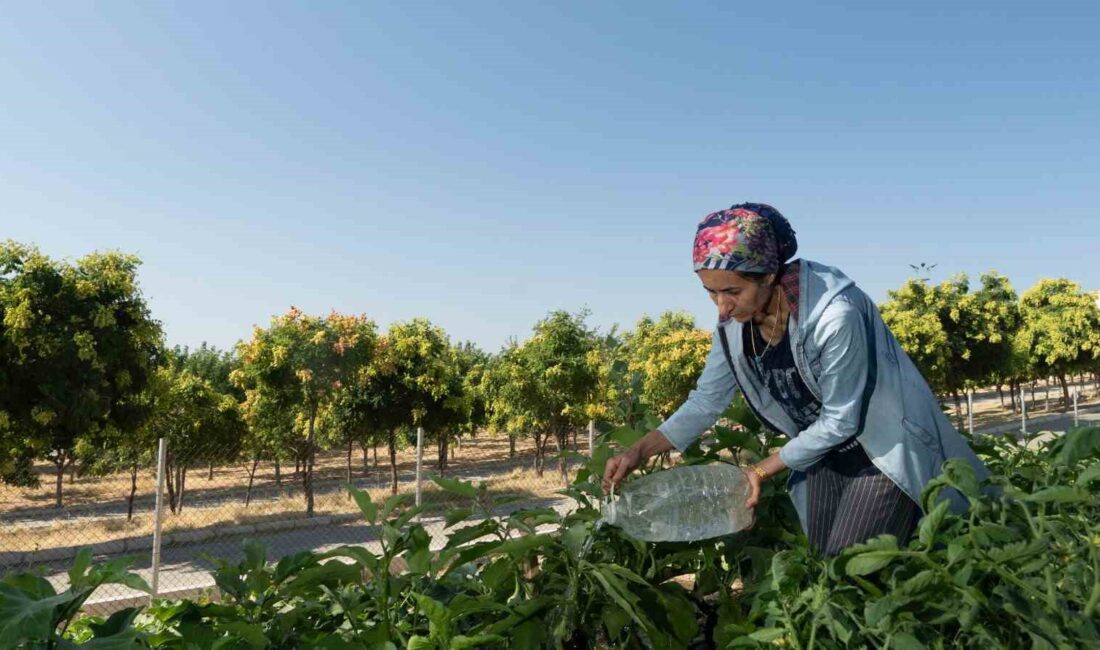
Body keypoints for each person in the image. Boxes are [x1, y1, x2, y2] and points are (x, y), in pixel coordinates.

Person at [602, 203, 988, 556]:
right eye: (711, 292)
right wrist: (639, 450)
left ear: (769, 275)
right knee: (822, 563)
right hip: (819, 454)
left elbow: (841, 420)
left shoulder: (835, 316)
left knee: (849, 568)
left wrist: (757, 470)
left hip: (882, 450)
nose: (722, 306)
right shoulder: (732, 327)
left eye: (732, 291)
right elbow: (706, 401)